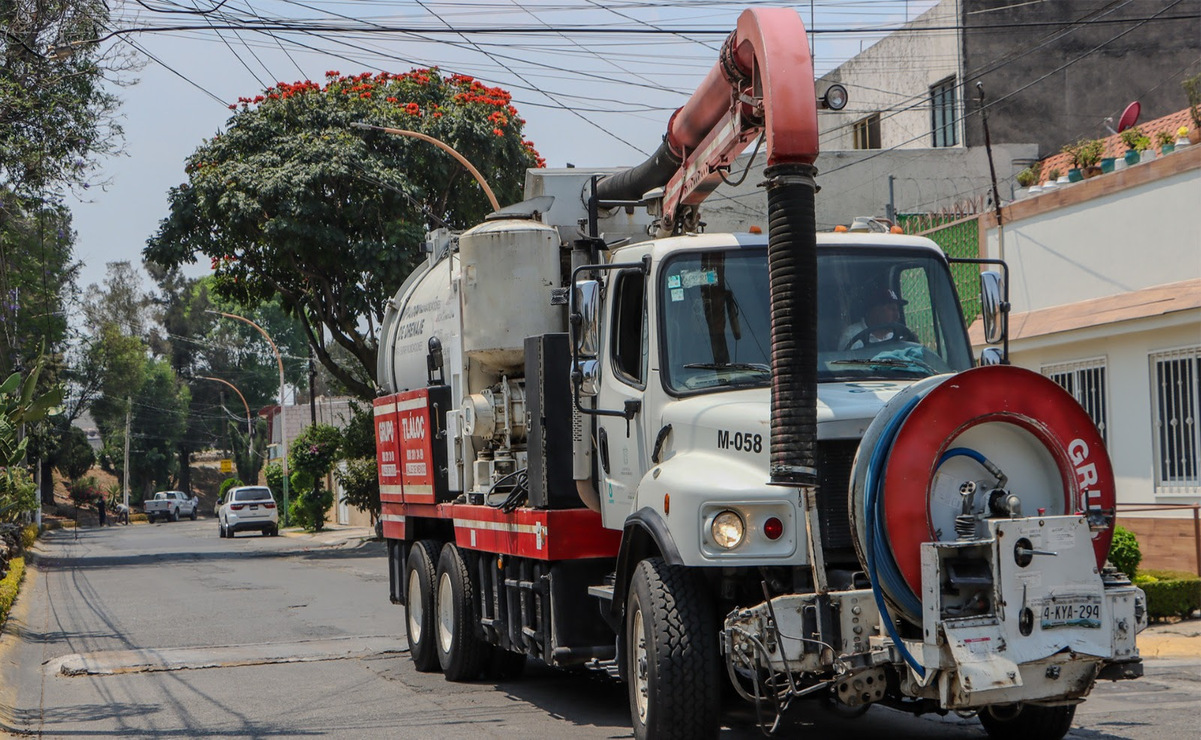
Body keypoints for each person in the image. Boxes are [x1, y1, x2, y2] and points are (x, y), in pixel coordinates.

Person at [840, 287, 908, 350]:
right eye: (892, 309)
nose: (897, 316)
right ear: (875, 310)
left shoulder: (895, 336)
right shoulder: (852, 336)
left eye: (897, 310)